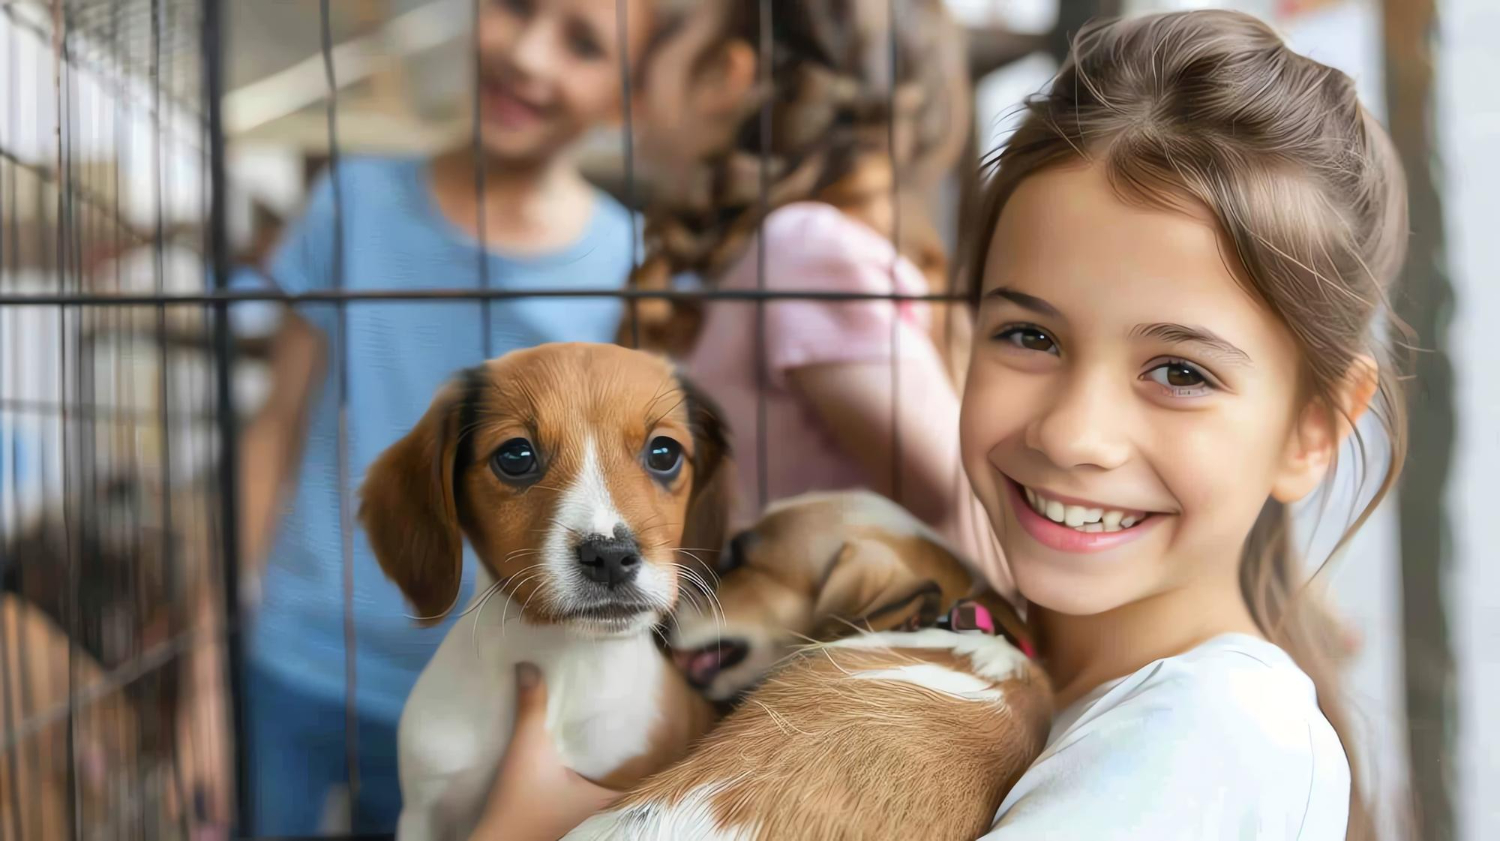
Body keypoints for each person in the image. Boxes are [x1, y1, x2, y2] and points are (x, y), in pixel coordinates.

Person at [473, 9, 1408, 840]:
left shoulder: (1213, 733)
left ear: (1312, 432)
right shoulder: (1014, 688)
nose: (1076, 432)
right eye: (1029, 334)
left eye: (1180, 371)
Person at [231, 0, 653, 833]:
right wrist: (214, 653)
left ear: (624, 99)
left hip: (499, 693)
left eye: (582, 44)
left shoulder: (628, 266)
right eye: (516, 8)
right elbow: (275, 421)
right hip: (297, 655)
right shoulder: (352, 201)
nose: (529, 55)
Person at [616, 0, 1008, 585]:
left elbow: (957, 490)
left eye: (668, 33)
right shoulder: (768, 259)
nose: (636, 68)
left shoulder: (800, 249)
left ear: (730, 73)